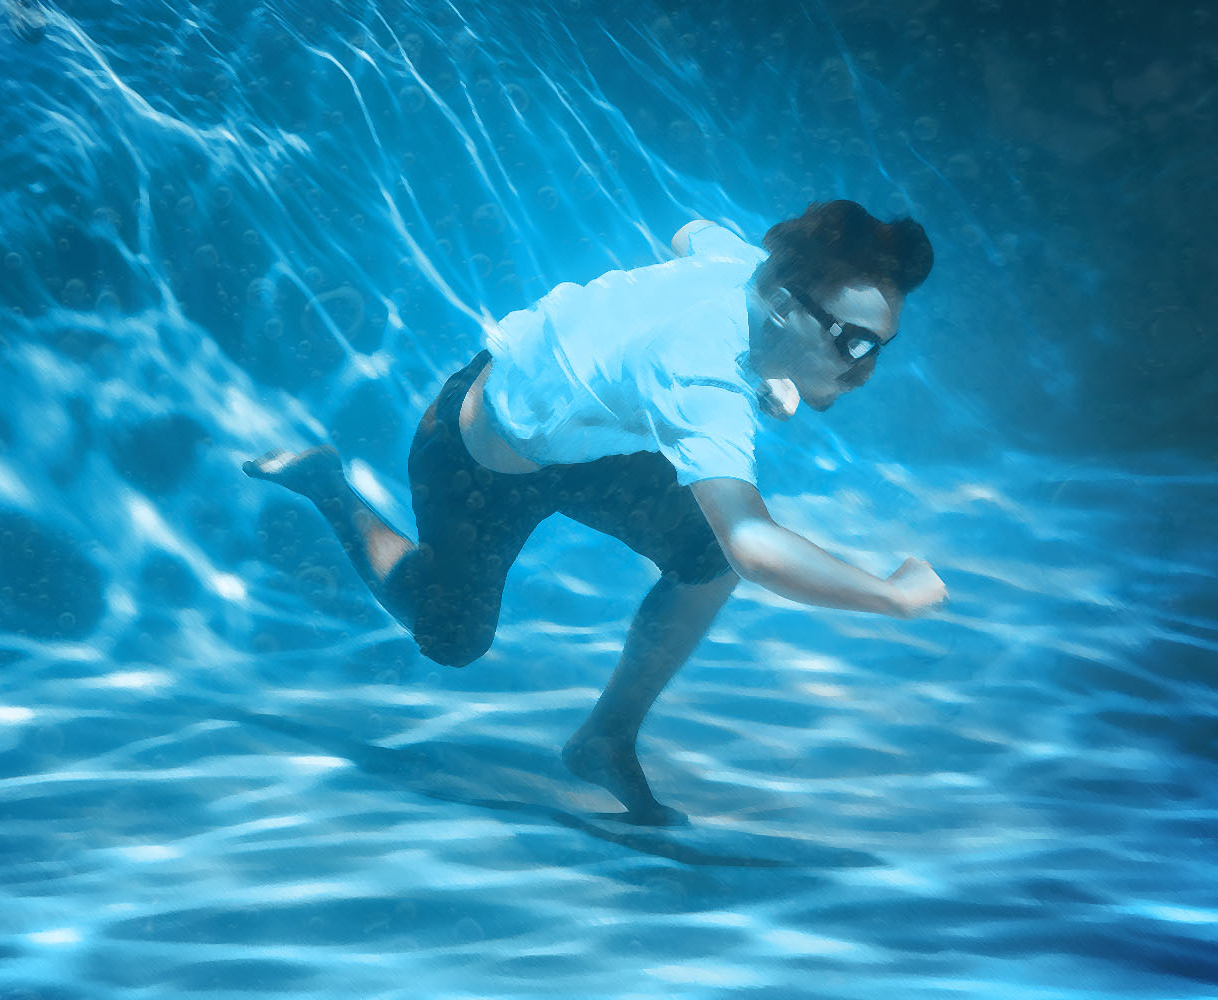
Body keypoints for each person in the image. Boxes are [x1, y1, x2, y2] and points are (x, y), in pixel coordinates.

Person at [244, 200, 948, 826]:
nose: (864, 371)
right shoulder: (699, 375)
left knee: (703, 562)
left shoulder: (746, 269)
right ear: (786, 306)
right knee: (451, 639)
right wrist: (891, 595)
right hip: (475, 457)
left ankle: (604, 739)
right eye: (853, 343)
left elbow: (689, 230)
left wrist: (774, 361)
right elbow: (756, 546)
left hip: (592, 447)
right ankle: (330, 487)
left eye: (877, 346)